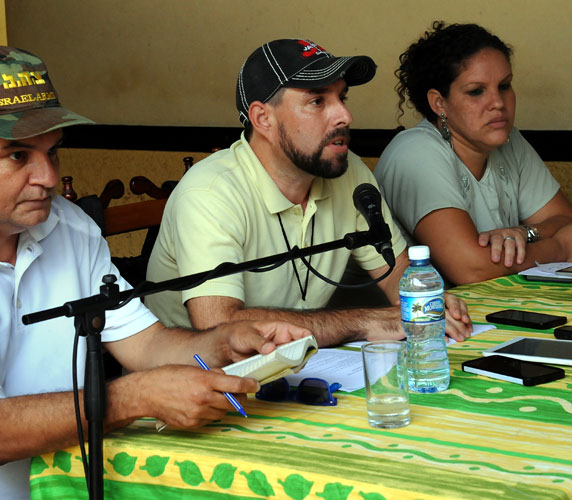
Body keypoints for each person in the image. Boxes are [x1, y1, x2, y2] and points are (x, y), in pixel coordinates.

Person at [0, 46, 310, 500]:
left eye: (53, 152)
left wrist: (222, 343)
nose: (47, 177)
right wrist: (136, 397)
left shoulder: (66, 227)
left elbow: (144, 344)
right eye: (18, 156)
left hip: (62, 486)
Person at [145, 38, 472, 346]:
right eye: (317, 101)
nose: (345, 116)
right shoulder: (210, 193)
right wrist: (365, 321)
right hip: (198, 386)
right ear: (263, 119)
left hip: (295, 368)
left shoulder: (347, 170)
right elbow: (219, 325)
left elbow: (394, 272)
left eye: (342, 98)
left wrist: (427, 301)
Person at [373, 22, 572, 285]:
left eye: (504, 86)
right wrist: (561, 249)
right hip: (410, 321)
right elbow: (470, 269)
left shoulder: (510, 140)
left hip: (483, 311)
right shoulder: (415, 152)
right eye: (476, 91)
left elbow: (570, 222)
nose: (498, 103)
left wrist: (524, 233)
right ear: (439, 103)